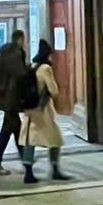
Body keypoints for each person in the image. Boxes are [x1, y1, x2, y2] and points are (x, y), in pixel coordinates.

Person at [18, 39, 71, 184]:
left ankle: (28, 172)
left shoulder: (33, 66)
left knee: (30, 140)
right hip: (43, 110)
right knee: (55, 139)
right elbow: (53, 90)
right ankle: (55, 170)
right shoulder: (46, 69)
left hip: (30, 109)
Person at [0, 30, 29, 175]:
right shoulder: (15, 53)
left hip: (5, 97)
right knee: (8, 130)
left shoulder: (4, 51)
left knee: (16, 128)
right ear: (21, 39)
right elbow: (21, 74)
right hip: (11, 98)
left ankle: (25, 160)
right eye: (24, 39)